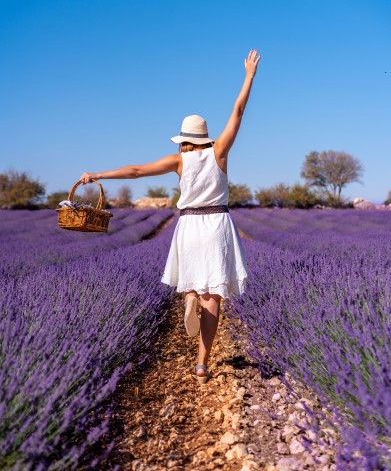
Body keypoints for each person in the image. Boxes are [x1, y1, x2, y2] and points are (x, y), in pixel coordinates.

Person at [80, 49, 261, 385]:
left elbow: (136, 171)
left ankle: (189, 296)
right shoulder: (219, 152)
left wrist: (98, 175)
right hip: (217, 224)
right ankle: (202, 364)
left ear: (183, 140)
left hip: (189, 224)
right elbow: (238, 111)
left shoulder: (179, 161)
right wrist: (249, 76)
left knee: (192, 281)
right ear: (205, 138)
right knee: (213, 296)